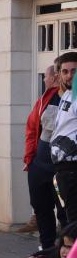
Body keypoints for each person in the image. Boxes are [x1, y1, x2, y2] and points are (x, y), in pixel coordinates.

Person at [20, 64, 68, 247]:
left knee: (65, 214)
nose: (44, 80)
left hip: (63, 168)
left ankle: (67, 256)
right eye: (65, 71)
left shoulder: (73, 98)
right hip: (40, 166)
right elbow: (31, 129)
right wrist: (29, 160)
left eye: (73, 72)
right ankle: (47, 252)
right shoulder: (44, 99)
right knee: (42, 210)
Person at [51, 51, 77, 223]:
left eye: (74, 71)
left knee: (73, 222)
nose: (69, 76)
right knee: (67, 220)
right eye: (65, 71)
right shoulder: (68, 94)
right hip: (62, 169)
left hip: (73, 169)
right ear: (59, 74)